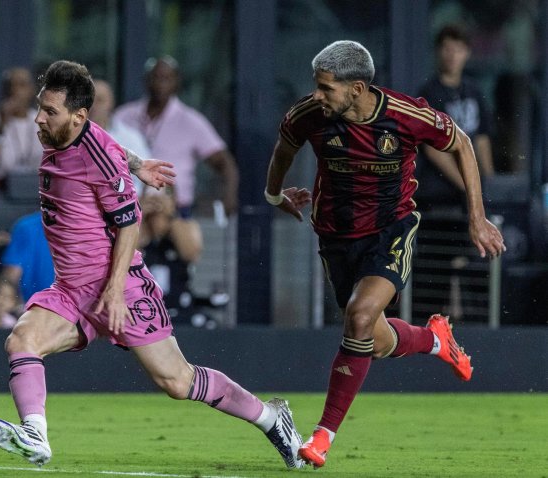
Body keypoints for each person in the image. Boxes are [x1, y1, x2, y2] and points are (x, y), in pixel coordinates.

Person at [0, 60, 304, 470]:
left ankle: (271, 418)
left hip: (121, 288)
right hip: (71, 290)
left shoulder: (93, 154)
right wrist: (137, 165)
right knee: (21, 341)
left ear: (77, 115)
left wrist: (115, 290)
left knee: (176, 381)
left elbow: (130, 221)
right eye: (41, 108)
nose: (39, 119)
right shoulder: (67, 133)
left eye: (49, 111)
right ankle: (35, 435)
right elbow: (110, 143)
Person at [264, 40, 506, 468]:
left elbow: (463, 144)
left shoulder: (406, 116)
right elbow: (285, 147)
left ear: (356, 88)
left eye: (326, 88)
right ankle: (436, 340)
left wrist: (477, 218)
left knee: (357, 318)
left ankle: (322, 436)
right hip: (335, 235)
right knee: (371, 339)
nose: (317, 95)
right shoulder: (309, 114)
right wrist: (273, 195)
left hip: (391, 230)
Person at [114, 56, 239, 217]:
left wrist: (229, 196)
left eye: (167, 79)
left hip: (176, 209)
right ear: (146, 81)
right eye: (156, 78)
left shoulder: (191, 121)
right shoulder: (124, 116)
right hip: (130, 205)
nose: (160, 84)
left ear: (177, 83)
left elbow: (223, 162)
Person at [416, 25, 495, 209]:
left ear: (467, 53)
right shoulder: (428, 93)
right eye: (447, 49)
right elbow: (432, 149)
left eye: (458, 49)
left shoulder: (474, 90)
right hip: (439, 192)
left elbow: (482, 137)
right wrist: (468, 186)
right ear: (438, 51)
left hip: (473, 189)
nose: (452, 55)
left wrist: (490, 183)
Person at [0, 67, 44, 189]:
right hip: (1, 193)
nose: (15, 91)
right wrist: (1, 126)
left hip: (38, 192)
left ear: (31, 90)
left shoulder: (44, 122)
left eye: (22, 85)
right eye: (10, 86)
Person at [138, 192, 202, 321]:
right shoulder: (137, 228)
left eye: (163, 195)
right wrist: (139, 214)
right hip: (142, 311)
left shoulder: (183, 225)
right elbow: (126, 253)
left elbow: (191, 253)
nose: (157, 202)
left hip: (179, 310)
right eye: (153, 195)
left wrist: (170, 215)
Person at [90, 79, 152, 195]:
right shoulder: (65, 138)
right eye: (89, 100)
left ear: (110, 103)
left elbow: (145, 178)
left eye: (99, 100)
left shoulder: (132, 138)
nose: (93, 106)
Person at [0, 211, 55, 303]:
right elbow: (12, 274)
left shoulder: (26, 226)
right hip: (33, 308)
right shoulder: (27, 227)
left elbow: (12, 274)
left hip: (32, 309)